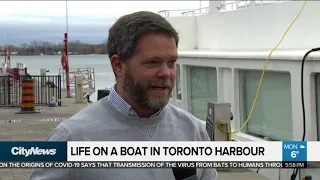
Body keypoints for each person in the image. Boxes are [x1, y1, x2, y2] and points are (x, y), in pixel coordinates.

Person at [29, 11, 217, 180]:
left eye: (171, 62)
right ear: (118, 65)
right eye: (153, 62)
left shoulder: (193, 132)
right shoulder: (71, 138)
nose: (166, 73)